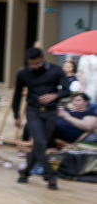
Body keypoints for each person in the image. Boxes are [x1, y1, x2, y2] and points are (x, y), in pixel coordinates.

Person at [11, 46, 69, 191]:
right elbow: (17, 95)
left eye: (38, 63)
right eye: (32, 64)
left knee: (40, 146)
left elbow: (68, 90)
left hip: (51, 112)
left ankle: (25, 172)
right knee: (39, 141)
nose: (35, 66)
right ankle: (50, 176)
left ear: (43, 58)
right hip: (33, 112)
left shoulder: (56, 70)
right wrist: (16, 115)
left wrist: (55, 95)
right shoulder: (24, 73)